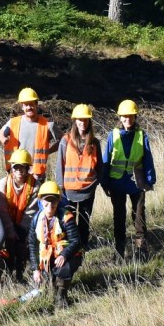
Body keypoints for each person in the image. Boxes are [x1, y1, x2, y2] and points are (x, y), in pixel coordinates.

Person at [101, 99, 156, 260]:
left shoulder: (141, 135)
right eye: (124, 116)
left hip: (136, 182)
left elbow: (147, 158)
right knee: (119, 216)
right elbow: (106, 160)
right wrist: (105, 183)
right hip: (116, 182)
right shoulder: (113, 135)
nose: (128, 119)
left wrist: (150, 180)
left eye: (131, 116)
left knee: (139, 215)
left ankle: (141, 249)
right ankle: (119, 249)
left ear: (135, 117)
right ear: (120, 117)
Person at [28, 182, 82, 309]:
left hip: (68, 256)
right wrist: (35, 269)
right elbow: (32, 245)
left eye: (53, 200)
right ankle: (52, 285)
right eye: (47, 200)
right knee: (44, 286)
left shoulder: (66, 217)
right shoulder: (36, 219)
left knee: (63, 271)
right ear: (41, 201)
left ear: (58, 201)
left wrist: (64, 255)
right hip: (47, 258)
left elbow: (76, 241)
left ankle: (61, 298)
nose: (50, 204)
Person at [57, 104, 102, 251]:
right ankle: (69, 249)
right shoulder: (66, 140)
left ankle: (83, 248)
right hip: (69, 190)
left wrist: (96, 183)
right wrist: (60, 186)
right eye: (80, 119)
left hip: (88, 190)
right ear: (75, 121)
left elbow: (100, 166)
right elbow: (60, 165)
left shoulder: (95, 143)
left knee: (84, 221)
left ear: (89, 121)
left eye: (85, 119)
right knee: (68, 221)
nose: (83, 122)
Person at [0, 86, 58, 178]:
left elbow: (64, 140)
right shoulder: (13, 122)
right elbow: (1, 133)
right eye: (26, 105)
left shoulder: (47, 125)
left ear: (36, 104)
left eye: (31, 104)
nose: (29, 107)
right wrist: (3, 139)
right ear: (22, 107)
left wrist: (49, 151)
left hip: (36, 174)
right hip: (17, 173)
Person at [0, 148, 37, 282]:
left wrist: (19, 233)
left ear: (27, 169)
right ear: (12, 168)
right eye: (16, 167)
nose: (19, 171)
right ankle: (8, 272)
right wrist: (10, 230)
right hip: (6, 221)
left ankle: (20, 272)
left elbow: (30, 213)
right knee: (8, 242)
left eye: (22, 167)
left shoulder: (35, 186)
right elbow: (2, 210)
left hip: (25, 223)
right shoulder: (3, 183)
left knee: (22, 244)